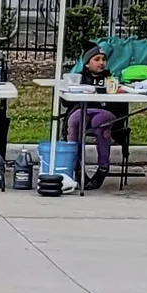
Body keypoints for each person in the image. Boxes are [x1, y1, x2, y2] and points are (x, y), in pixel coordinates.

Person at [63, 45, 117, 187]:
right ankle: (77, 166)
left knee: (100, 123)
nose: (101, 63)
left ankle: (103, 168)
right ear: (87, 63)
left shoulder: (110, 79)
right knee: (75, 121)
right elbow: (65, 99)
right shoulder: (79, 78)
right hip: (83, 109)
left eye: (103, 59)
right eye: (97, 59)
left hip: (104, 110)